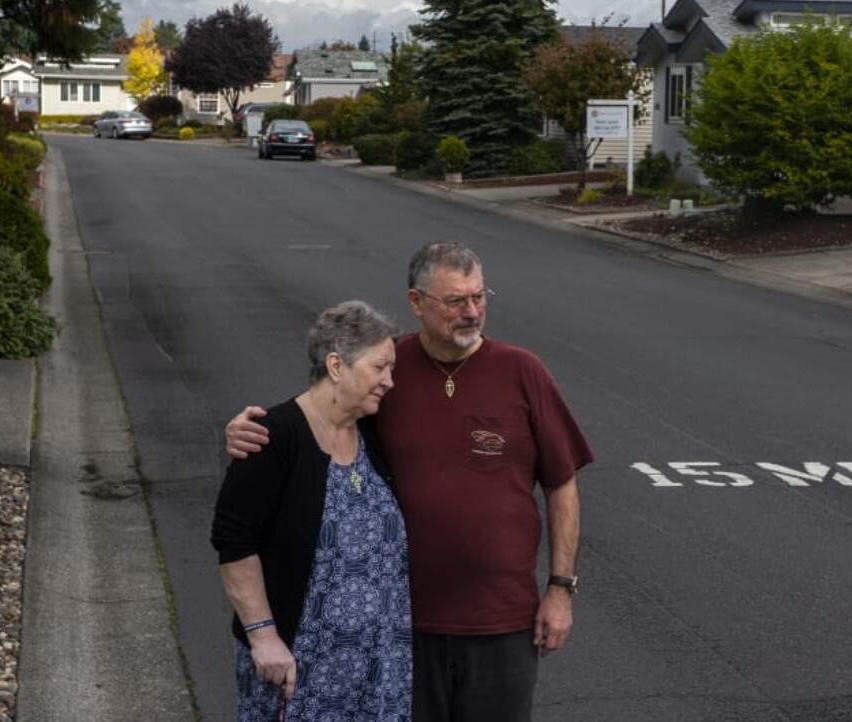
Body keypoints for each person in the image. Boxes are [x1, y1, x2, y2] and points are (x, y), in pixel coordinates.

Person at [226, 242, 593, 722]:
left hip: (502, 621)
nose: (472, 312)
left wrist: (561, 589)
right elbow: (323, 409)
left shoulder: (523, 371)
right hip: (401, 625)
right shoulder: (388, 370)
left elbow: (562, 484)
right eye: (456, 301)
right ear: (417, 303)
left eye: (479, 297)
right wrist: (258, 429)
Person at [212, 301, 410, 721]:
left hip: (376, 668)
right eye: (380, 368)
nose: (390, 382)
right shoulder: (273, 436)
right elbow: (234, 542)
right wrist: (262, 635)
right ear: (337, 365)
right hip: (297, 667)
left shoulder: (372, 433)